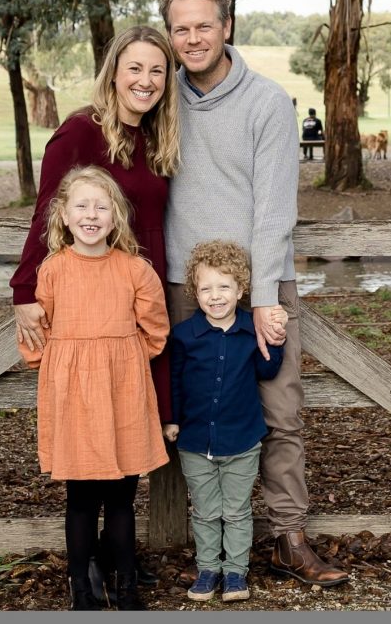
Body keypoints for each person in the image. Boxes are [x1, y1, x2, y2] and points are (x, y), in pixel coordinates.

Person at [160, 0, 350, 587]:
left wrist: (265, 298)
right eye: (180, 28)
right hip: (185, 286)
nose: (192, 38)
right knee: (186, 412)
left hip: (260, 286)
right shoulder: (162, 97)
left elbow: (274, 211)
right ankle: (205, 545)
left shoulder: (267, 102)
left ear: (227, 27)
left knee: (279, 412)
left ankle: (287, 538)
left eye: (203, 25)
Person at [9, 25, 180, 602]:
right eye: (134, 68)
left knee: (135, 435)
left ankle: (121, 564)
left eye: (157, 71)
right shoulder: (80, 132)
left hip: (138, 289)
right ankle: (89, 575)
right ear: (113, 71)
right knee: (91, 462)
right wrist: (25, 290)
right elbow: (46, 215)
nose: (145, 80)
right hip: (88, 294)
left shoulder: (157, 136)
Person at [17, 165, 170, 611]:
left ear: (116, 215)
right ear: (63, 214)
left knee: (122, 499)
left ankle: (127, 590)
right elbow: (34, 333)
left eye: (101, 206)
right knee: (81, 500)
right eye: (81, 205)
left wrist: (121, 358)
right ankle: (81, 591)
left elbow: (156, 331)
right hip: (72, 398)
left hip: (123, 392)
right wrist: (64, 365)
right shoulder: (52, 271)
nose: (91, 214)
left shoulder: (135, 270)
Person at [163, 240, 287, 603]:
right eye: (205, 289)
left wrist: (276, 337)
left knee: (235, 510)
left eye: (224, 287)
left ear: (240, 289)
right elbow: (173, 380)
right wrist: (170, 419)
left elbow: (268, 368)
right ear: (194, 292)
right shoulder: (184, 336)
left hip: (242, 439)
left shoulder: (251, 331)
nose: (215, 296)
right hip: (195, 440)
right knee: (204, 511)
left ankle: (235, 572)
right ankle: (207, 570)